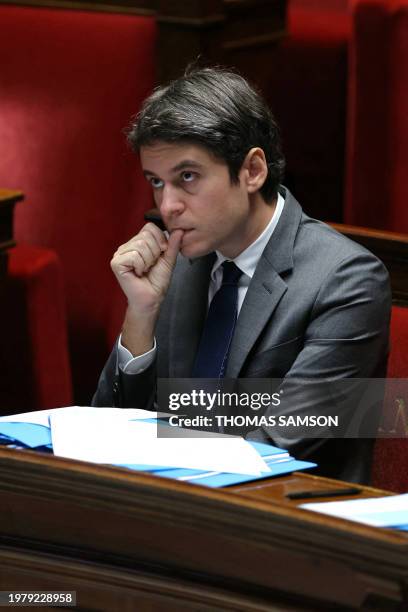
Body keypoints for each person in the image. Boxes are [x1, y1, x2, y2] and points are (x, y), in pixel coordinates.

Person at [93, 67, 391, 483]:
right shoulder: (175, 264)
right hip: (167, 512)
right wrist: (141, 316)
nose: (168, 206)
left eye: (187, 177)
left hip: (283, 526)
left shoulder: (345, 280)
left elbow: (276, 448)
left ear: (252, 170)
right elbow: (103, 431)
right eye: (157, 183)